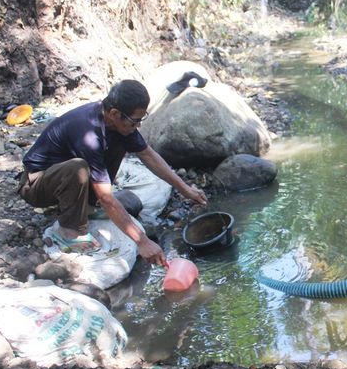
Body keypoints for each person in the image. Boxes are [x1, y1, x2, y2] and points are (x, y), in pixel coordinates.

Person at [18, 79, 207, 266]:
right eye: (135, 121)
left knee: (120, 143)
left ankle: (89, 204)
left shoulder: (116, 124)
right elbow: (108, 198)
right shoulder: (88, 133)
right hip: (37, 184)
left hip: (64, 181)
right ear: (115, 113)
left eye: (141, 119)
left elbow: (148, 155)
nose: (138, 126)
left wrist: (185, 190)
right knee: (78, 168)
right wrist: (142, 241)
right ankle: (69, 229)